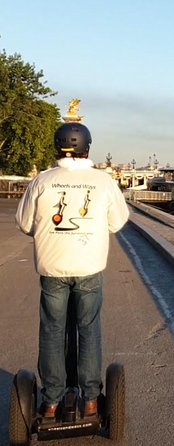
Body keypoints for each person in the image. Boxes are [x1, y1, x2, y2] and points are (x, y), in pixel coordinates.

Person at [15, 121, 129, 418]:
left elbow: (25, 223)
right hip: (89, 266)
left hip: (53, 267)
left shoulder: (42, 180)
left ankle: (51, 401)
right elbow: (117, 222)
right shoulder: (103, 181)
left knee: (53, 329)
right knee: (88, 328)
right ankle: (90, 399)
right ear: (87, 148)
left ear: (58, 147)